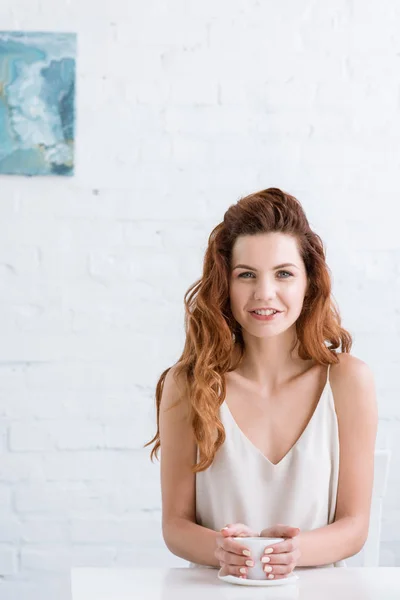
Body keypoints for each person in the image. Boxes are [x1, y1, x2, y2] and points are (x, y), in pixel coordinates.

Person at [145, 187, 378, 580]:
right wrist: (221, 550)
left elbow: (354, 526)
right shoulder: (189, 384)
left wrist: (291, 553)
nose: (264, 294)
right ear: (225, 284)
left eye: (284, 273)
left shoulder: (348, 380)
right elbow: (176, 526)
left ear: (310, 283)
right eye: (246, 275)